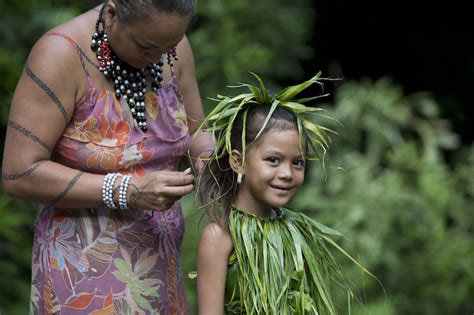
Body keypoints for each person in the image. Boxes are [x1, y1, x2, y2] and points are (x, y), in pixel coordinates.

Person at [2, 0, 213, 313]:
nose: (159, 57)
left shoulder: (172, 45)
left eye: (168, 46)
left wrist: (214, 168)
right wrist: (127, 190)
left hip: (158, 262)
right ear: (112, 15)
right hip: (83, 270)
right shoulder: (60, 55)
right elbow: (19, 173)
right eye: (146, 46)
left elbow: (198, 133)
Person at [195, 73, 372, 314]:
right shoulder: (220, 236)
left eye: (297, 163)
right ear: (238, 162)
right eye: (273, 160)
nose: (287, 173)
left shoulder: (294, 231)